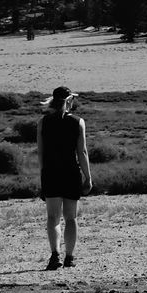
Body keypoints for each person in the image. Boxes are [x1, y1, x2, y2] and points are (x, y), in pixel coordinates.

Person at [37, 85, 92, 269]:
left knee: (53, 217)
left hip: (51, 173)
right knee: (71, 217)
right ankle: (69, 257)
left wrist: (43, 176)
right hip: (70, 172)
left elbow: (41, 154)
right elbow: (82, 152)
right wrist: (88, 177)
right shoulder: (78, 122)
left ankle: (55, 256)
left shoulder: (42, 122)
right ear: (69, 101)